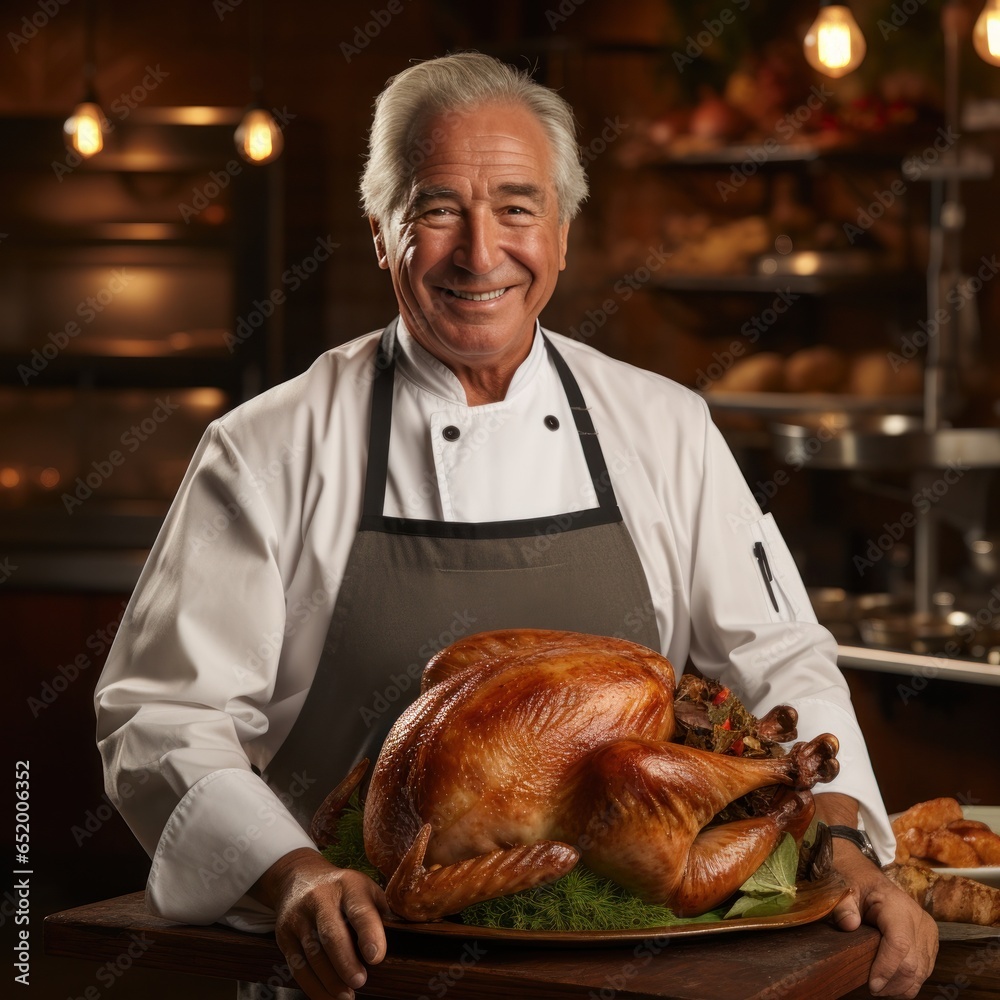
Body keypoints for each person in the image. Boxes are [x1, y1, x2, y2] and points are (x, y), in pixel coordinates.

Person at [95, 52, 937, 1000]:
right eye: (439, 208)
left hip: (634, 974)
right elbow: (163, 714)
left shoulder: (663, 427)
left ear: (564, 234)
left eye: (517, 208)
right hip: (356, 972)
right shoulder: (269, 449)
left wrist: (845, 843)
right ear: (382, 232)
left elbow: (777, 658)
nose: (481, 252)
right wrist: (294, 874)